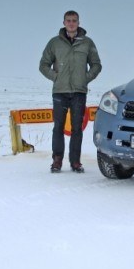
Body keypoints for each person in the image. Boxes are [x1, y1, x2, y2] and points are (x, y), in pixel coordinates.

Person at [39, 10, 102, 173]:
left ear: (78, 23)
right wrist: (55, 76)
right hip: (60, 91)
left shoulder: (87, 43)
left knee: (76, 128)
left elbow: (96, 64)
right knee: (58, 127)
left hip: (79, 92)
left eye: (74, 20)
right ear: (64, 22)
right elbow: (43, 65)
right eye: (68, 20)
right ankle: (57, 160)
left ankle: (75, 162)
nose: (71, 23)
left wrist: (85, 78)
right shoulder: (54, 43)